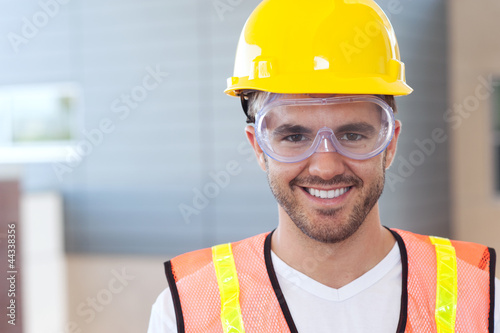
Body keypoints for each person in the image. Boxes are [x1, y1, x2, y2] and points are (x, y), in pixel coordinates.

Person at [148, 0, 499, 332]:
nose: (327, 166)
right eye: (295, 137)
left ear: (389, 143)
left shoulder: (481, 299)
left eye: (352, 135)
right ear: (258, 147)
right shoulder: (185, 310)